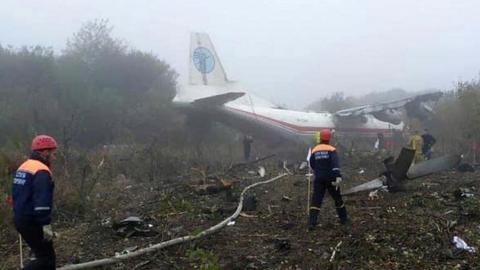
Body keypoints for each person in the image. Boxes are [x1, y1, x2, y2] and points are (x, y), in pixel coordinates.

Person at [12, 135, 57, 270]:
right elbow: (42, 201)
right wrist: (45, 224)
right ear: (44, 152)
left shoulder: (24, 166)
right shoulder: (41, 171)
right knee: (46, 259)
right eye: (53, 154)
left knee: (41, 255)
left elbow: (17, 194)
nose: (54, 157)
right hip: (32, 221)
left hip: (20, 218)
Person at [308, 129, 348, 229]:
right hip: (331, 179)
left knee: (316, 200)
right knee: (337, 199)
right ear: (329, 138)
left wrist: (318, 171)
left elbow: (312, 164)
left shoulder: (315, 150)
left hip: (319, 179)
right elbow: (335, 164)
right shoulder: (332, 149)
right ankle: (344, 220)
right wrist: (337, 175)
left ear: (320, 137)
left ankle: (312, 223)